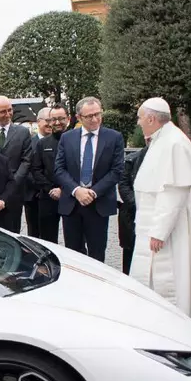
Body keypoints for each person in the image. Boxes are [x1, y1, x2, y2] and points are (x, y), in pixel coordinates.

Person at [129, 97, 191, 327]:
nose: (139, 122)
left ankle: (174, 327)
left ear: (151, 118)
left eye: (140, 118)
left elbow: (173, 192)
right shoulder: (161, 140)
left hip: (171, 231)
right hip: (156, 226)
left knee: (171, 278)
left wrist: (159, 232)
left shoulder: (174, 142)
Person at [53, 96, 125, 262]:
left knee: (97, 254)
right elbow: (59, 169)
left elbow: (116, 171)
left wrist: (93, 192)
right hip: (72, 204)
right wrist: (76, 190)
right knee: (73, 254)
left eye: (97, 114)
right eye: (89, 116)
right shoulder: (67, 138)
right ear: (79, 117)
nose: (94, 119)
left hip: (98, 203)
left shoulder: (114, 137)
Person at [0, 96, 32, 233]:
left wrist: (13, 183)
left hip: (14, 193)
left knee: (12, 231)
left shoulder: (23, 132)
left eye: (10, 110)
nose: (8, 114)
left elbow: (27, 160)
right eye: (3, 111)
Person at [30, 105, 69, 243]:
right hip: (48, 197)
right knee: (47, 241)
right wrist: (51, 189)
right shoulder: (42, 144)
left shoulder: (76, 141)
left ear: (68, 119)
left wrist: (63, 189)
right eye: (53, 119)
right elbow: (36, 169)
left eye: (61, 119)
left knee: (75, 242)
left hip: (71, 197)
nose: (57, 122)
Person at [117, 138, 150, 275]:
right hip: (132, 214)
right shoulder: (131, 159)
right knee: (130, 256)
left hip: (155, 215)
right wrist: (139, 205)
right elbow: (123, 185)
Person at [25, 107, 51, 237]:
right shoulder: (28, 143)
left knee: (50, 234)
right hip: (32, 196)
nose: (50, 124)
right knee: (33, 233)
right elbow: (25, 167)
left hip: (51, 196)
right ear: (38, 121)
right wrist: (40, 185)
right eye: (47, 120)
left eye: (52, 120)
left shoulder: (59, 142)